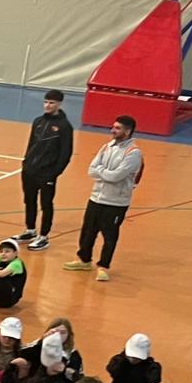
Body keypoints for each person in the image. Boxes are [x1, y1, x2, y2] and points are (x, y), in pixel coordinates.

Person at [64, 115, 143, 282]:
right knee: (88, 231)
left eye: (117, 128)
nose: (113, 130)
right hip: (96, 198)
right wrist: (105, 173)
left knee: (109, 236)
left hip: (116, 202)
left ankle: (104, 267)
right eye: (113, 127)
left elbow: (116, 176)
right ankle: (84, 260)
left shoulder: (133, 153)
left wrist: (101, 172)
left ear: (128, 131)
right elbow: (91, 169)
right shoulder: (106, 147)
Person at [18, 88, 75, 250]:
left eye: (51, 103)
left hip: (47, 174)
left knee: (46, 204)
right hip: (30, 170)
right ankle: (30, 230)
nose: (47, 105)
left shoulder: (65, 126)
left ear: (59, 104)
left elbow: (65, 154)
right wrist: (26, 163)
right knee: (29, 200)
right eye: (46, 102)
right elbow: (31, 145)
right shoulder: (38, 121)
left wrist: (54, 173)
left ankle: (44, 236)